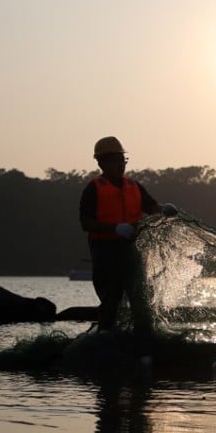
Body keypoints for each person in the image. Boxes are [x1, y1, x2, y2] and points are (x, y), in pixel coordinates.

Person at [79, 136, 178, 336]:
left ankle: (143, 339)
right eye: (116, 160)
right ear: (102, 162)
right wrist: (114, 228)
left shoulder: (134, 186)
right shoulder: (94, 188)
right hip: (105, 252)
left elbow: (151, 207)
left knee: (140, 298)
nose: (121, 164)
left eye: (122, 160)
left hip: (131, 250)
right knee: (110, 299)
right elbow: (86, 222)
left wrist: (163, 209)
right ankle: (105, 339)